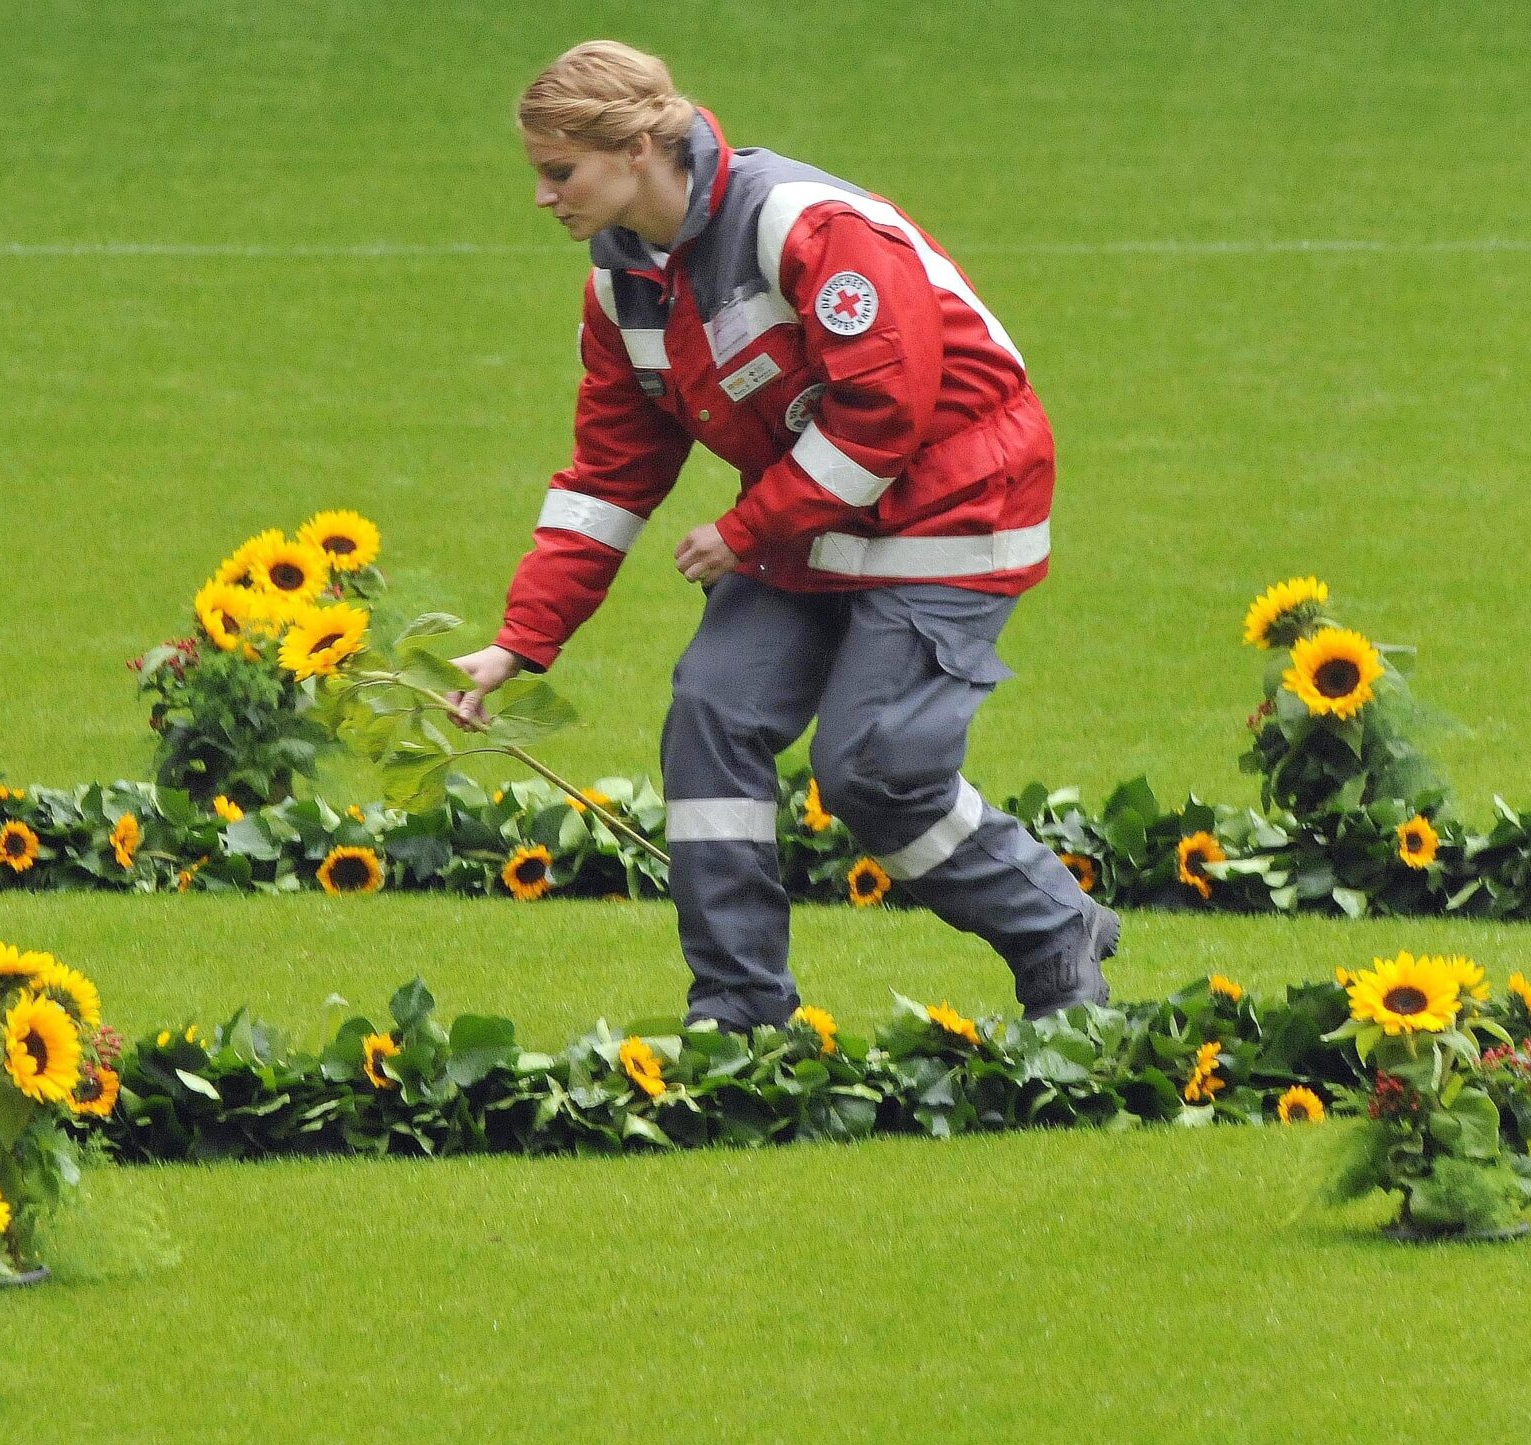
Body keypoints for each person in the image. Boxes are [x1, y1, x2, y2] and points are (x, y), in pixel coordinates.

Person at [448, 39, 1118, 1030]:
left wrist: (747, 525)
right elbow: (605, 478)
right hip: (804, 520)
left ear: (635, 147)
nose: (545, 197)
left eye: (559, 172)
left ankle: (1052, 924)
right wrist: (521, 637)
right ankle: (738, 1010)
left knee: (876, 768)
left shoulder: (806, 225)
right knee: (710, 713)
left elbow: (887, 409)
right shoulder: (622, 284)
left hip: (951, 513)